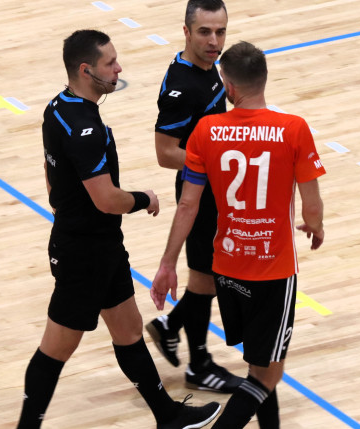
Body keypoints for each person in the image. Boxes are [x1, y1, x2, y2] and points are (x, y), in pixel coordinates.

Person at [16, 29, 220, 429]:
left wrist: (65, 209)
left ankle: (168, 415)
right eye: (110, 63)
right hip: (85, 254)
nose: (118, 68)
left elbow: (50, 173)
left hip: (100, 246)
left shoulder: (58, 108)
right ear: (85, 69)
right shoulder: (84, 128)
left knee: (128, 331)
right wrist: (144, 198)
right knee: (55, 349)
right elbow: (107, 199)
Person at [151, 41, 326, 428]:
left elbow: (187, 206)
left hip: (227, 269)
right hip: (272, 270)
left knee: (260, 366)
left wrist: (167, 264)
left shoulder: (206, 132)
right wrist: (315, 228)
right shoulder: (293, 129)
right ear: (264, 79)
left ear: (227, 86)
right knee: (267, 376)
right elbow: (311, 206)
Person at [147, 0, 243, 394]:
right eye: (205, 32)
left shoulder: (208, 70)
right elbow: (165, 151)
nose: (214, 41)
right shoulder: (180, 87)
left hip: (214, 187)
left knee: (207, 276)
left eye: (220, 32)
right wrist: (213, 160)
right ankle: (198, 361)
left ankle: (180, 337)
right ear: (186, 31)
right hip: (198, 189)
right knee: (212, 276)